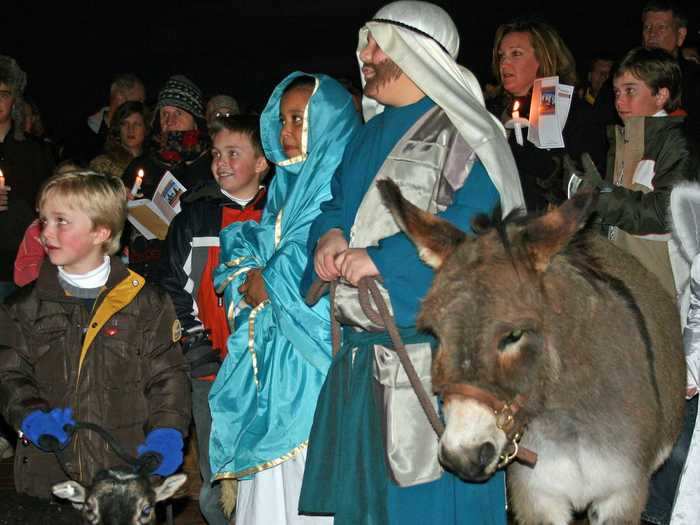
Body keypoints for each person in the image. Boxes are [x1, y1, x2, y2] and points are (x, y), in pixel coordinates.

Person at [299, 3, 524, 524]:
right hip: (363, 358)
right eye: (363, 45)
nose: (365, 56)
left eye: (378, 45)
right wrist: (328, 237)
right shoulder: (364, 136)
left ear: (418, 53)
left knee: (426, 510)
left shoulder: (466, 133)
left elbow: (478, 227)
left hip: (430, 363)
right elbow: (336, 205)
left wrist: (382, 260)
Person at [209, 72, 360, 525]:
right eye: (283, 120)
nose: (287, 132)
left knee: (309, 486)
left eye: (300, 119)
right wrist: (254, 275)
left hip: (315, 373)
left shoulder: (345, 187)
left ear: (330, 122)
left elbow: (321, 258)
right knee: (269, 497)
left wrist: (269, 277)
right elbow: (251, 257)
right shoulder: (284, 190)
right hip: (274, 369)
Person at [0, 170, 190, 499]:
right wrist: (30, 415)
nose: (46, 232)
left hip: (125, 470)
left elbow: (168, 377)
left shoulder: (146, 302)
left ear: (101, 231)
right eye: (43, 220)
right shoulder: (23, 307)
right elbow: (9, 373)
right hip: (51, 474)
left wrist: (167, 432)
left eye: (62, 221)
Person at [157, 115, 268, 525]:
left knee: (269, 475)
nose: (220, 163)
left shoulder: (281, 215)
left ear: (261, 163)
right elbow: (173, 285)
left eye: (233, 154)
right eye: (217, 154)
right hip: (212, 370)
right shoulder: (194, 218)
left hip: (269, 371)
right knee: (217, 484)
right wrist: (195, 343)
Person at [487, 19, 607, 212]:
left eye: (516, 54)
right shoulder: (492, 111)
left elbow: (585, 185)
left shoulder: (574, 113)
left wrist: (543, 167)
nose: (504, 63)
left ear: (544, 59)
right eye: (501, 56)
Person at [122, 74, 212, 280]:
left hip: (191, 269)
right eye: (164, 114)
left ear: (195, 121)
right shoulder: (142, 164)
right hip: (144, 270)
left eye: (178, 113)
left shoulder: (211, 164)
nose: (169, 121)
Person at [642, 1, 700, 134]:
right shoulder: (627, 77)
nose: (652, 34)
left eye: (661, 27)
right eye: (647, 27)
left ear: (680, 35)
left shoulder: (694, 81)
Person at [64, 73, 146, 164]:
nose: (142, 109)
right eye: (138, 102)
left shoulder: (145, 138)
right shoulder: (81, 136)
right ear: (120, 98)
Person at [90, 101, 150, 179]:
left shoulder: (152, 162)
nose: (130, 130)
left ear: (146, 128)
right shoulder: (103, 165)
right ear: (118, 128)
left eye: (137, 124)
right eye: (125, 124)